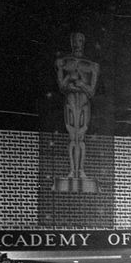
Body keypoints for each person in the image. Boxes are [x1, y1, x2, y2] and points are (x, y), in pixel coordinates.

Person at [55, 31, 99, 179]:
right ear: (71, 42)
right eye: (74, 41)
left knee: (80, 137)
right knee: (72, 136)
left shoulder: (91, 65)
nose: (77, 44)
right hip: (71, 101)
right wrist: (69, 78)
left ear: (83, 42)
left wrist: (80, 84)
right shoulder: (64, 62)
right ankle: (72, 171)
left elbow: (91, 91)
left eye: (80, 41)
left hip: (84, 102)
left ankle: (80, 171)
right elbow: (61, 86)